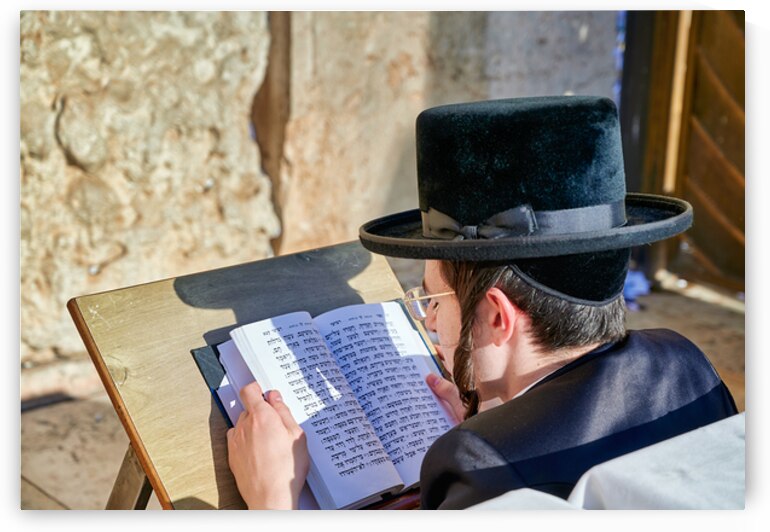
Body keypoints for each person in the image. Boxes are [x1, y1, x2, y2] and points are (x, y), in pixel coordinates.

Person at [226, 96, 738, 510]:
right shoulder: (687, 364)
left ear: (496, 315)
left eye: (432, 299)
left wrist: (273, 503)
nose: (426, 321)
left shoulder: (477, 463)